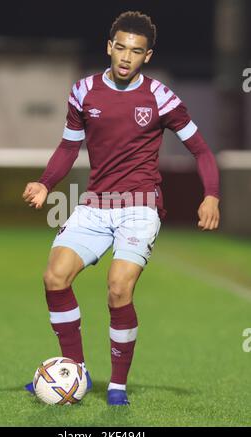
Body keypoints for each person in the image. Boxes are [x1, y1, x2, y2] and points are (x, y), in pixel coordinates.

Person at [22, 11, 220, 406]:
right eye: (121, 48)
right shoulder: (83, 92)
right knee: (54, 277)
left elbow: (199, 149)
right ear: (109, 47)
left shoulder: (161, 98)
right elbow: (68, 147)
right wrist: (45, 183)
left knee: (118, 288)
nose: (127, 57)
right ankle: (75, 372)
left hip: (140, 206)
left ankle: (117, 386)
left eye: (137, 51)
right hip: (95, 204)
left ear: (147, 56)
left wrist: (211, 194)